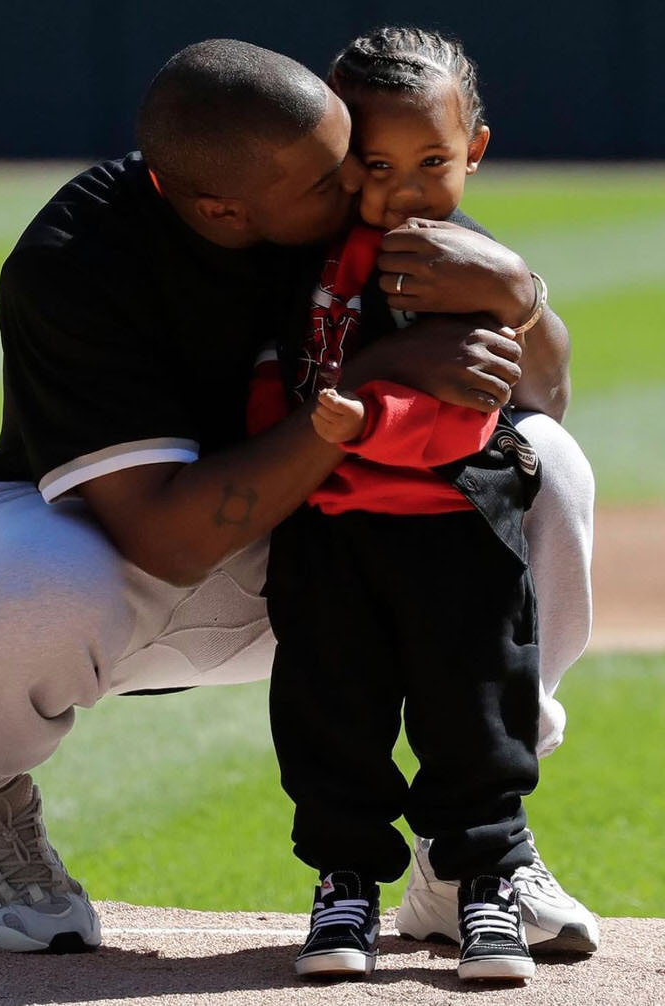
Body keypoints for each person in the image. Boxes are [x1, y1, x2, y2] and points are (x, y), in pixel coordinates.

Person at [0, 39, 594, 957]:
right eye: (326, 177)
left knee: (543, 462)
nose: (355, 181)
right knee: (29, 578)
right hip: (129, 566)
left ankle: (469, 852)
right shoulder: (77, 260)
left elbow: (538, 397)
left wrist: (520, 294)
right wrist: (375, 370)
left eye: (351, 151)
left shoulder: (356, 211)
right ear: (220, 207)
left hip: (322, 558)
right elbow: (166, 539)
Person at [248, 25, 587, 983]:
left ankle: (485, 885)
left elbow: (479, 412)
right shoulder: (302, 260)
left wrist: (362, 418)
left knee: (474, 713)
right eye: (372, 162)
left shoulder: (465, 265)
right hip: (326, 532)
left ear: (474, 151)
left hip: (455, 528)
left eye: (432, 161)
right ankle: (344, 885)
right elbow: (275, 379)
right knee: (328, 714)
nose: (400, 189)